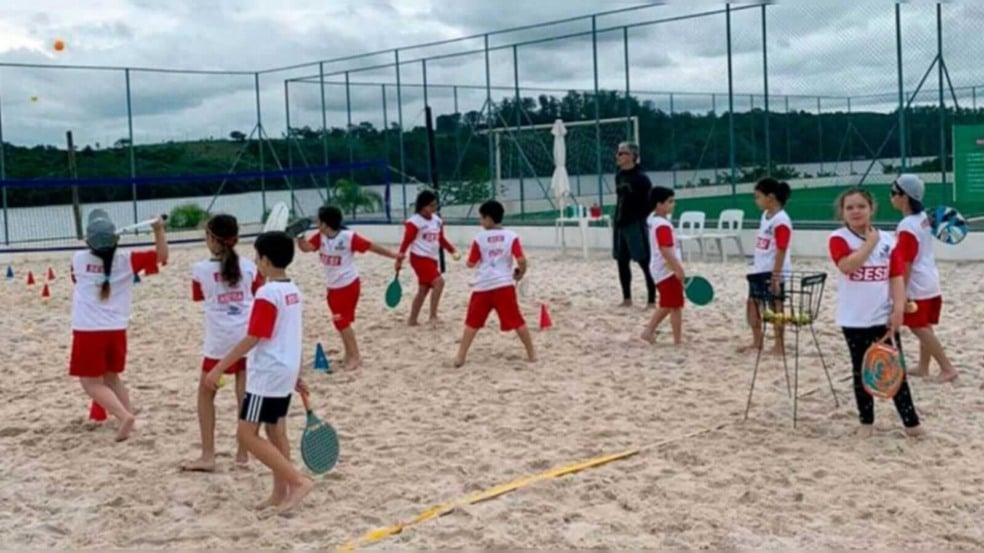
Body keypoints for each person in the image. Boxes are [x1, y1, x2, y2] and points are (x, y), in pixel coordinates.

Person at [204, 231, 314, 513]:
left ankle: (297, 481)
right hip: (285, 368)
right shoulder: (293, 290)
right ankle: (280, 492)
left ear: (264, 260)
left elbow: (253, 336)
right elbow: (293, 334)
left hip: (267, 375)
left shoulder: (268, 293)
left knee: (246, 434)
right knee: (276, 432)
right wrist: (297, 372)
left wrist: (219, 367)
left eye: (257, 257)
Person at [827, 188, 922, 438]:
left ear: (871, 208)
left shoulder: (889, 240)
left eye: (861, 206)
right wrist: (870, 244)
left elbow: (896, 276)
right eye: (850, 208)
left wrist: (898, 309)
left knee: (894, 369)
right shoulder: (838, 238)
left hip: (882, 316)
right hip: (854, 318)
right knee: (861, 371)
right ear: (843, 213)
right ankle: (866, 422)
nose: (856, 211)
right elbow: (848, 266)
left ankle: (912, 424)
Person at [69, 209, 168, 442]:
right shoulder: (127, 259)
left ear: (88, 240)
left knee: (90, 382)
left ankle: (124, 416)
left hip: (89, 330)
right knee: (112, 377)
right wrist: (158, 230)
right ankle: (128, 414)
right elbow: (161, 256)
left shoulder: (79, 259)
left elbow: (78, 277)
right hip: (116, 329)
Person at [182, 214, 263, 472]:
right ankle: (243, 452)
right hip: (247, 336)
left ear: (211, 239)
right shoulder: (250, 267)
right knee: (244, 394)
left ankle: (208, 455)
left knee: (206, 394)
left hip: (219, 341)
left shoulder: (200, 270)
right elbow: (257, 294)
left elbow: (198, 297)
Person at [298, 205, 404, 371]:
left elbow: (371, 247)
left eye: (319, 221)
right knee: (339, 322)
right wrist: (298, 237)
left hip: (347, 285)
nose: (317, 224)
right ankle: (349, 354)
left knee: (342, 322)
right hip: (332, 287)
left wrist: (394, 256)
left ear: (326, 223)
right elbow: (306, 248)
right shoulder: (320, 237)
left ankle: (355, 357)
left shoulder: (348, 237)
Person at [889, 174, 958, 383]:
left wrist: (901, 292)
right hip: (931, 280)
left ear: (904, 197)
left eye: (893, 193)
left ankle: (947, 368)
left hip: (917, 284)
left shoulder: (907, 225)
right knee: (925, 324)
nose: (891, 197)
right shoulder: (924, 219)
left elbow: (906, 262)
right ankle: (923, 366)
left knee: (918, 327)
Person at [453, 200, 536, 368]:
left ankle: (460, 357)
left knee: (472, 322)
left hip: (483, 286)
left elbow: (471, 263)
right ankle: (532, 354)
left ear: (489, 219)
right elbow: (521, 260)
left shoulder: (479, 238)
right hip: (504, 286)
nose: (480, 221)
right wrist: (520, 273)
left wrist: (465, 259)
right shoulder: (511, 236)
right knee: (517, 320)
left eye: (481, 218)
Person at [741, 178, 793, 355]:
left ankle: (779, 345)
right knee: (753, 304)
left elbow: (781, 249)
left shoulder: (781, 221)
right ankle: (757, 341)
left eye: (758, 197)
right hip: (759, 269)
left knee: (776, 308)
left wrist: (776, 276)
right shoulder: (766, 215)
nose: (756, 201)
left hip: (773, 271)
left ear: (770, 197)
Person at [396, 190, 460, 326]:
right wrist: (399, 257)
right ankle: (433, 316)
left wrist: (451, 250)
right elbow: (406, 241)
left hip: (431, 258)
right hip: (419, 258)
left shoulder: (437, 221)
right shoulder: (414, 222)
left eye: (435, 205)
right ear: (423, 206)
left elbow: (441, 239)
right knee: (439, 282)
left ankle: (412, 319)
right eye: (431, 205)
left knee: (423, 289)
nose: (434, 208)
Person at [613, 141, 656, 308]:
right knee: (621, 261)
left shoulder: (641, 178)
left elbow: (649, 202)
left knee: (644, 261)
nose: (618, 156)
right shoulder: (619, 176)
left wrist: (640, 219)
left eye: (622, 153)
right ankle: (627, 298)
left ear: (632, 156)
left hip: (635, 224)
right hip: (620, 222)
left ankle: (652, 299)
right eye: (618, 153)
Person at [640, 187, 685, 345]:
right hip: (666, 269)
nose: (674, 204)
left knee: (670, 304)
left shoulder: (654, 221)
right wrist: (677, 268)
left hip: (661, 268)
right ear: (659, 204)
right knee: (673, 305)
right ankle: (674, 339)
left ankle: (651, 331)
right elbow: (665, 249)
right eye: (670, 201)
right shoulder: (662, 225)